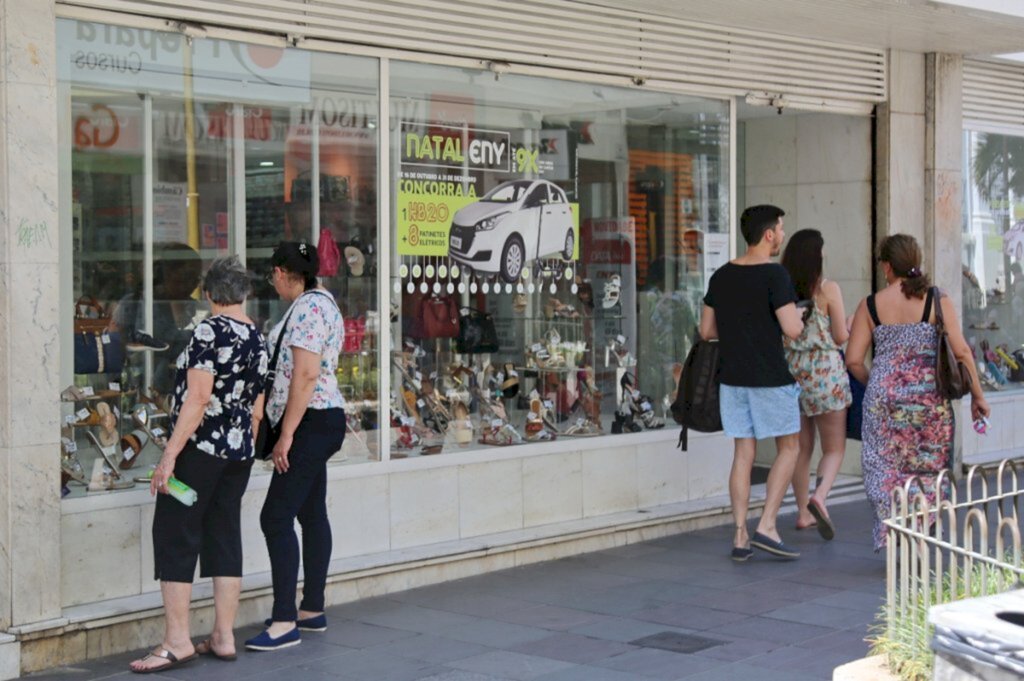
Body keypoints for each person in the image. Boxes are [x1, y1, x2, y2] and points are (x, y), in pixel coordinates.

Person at [129, 257, 268, 673]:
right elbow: (257, 407)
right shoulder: (256, 336)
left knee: (175, 531)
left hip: (201, 450)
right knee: (224, 533)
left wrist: (168, 456)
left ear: (209, 294)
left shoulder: (208, 330)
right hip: (238, 452)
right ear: (242, 293)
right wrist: (244, 441)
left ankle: (177, 641)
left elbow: (198, 397)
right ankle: (224, 635)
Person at [846, 234, 990, 551]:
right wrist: (978, 396)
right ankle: (920, 529)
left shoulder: (870, 305)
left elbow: (853, 360)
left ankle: (893, 529)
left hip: (883, 402)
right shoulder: (937, 300)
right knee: (927, 466)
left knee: (884, 466)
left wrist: (878, 384)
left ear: (886, 267)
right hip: (929, 402)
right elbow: (963, 352)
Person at [246, 242, 346, 652]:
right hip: (321, 418)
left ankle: (284, 621)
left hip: (310, 421)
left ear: (285, 273)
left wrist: (286, 435)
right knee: (311, 512)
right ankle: (311, 609)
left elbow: (305, 376)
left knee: (275, 517)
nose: (272, 281)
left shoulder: (306, 309)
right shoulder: (323, 303)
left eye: (273, 274)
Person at [700, 205, 805, 561]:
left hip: (732, 379)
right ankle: (768, 525)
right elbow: (792, 329)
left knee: (743, 454)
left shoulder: (721, 275)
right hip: (770, 378)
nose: (783, 235)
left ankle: (741, 534)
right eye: (781, 227)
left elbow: (706, 331)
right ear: (769, 234)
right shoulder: (776, 276)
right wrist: (798, 318)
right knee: (789, 447)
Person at [781, 229, 851, 541]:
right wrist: (846, 325)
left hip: (792, 373)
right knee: (834, 447)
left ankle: (801, 513)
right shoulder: (828, 289)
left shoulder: (782, 290)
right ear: (817, 256)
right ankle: (820, 497)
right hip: (826, 376)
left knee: (800, 448)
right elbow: (839, 337)